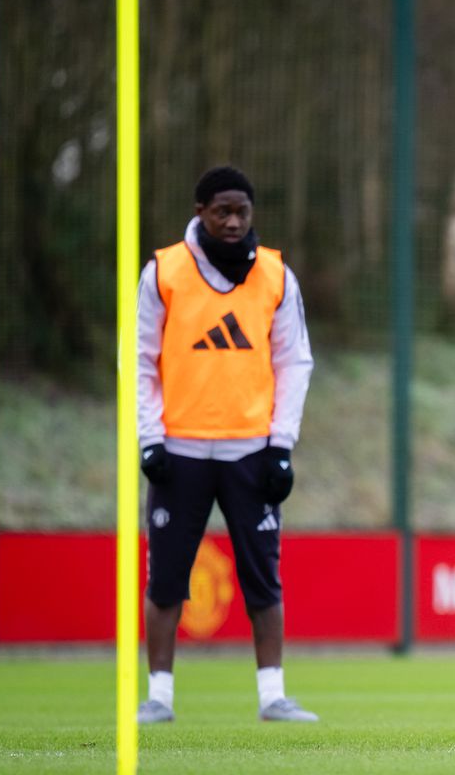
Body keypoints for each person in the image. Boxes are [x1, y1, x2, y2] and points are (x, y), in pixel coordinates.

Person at [135, 166, 317, 723]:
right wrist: (150, 438)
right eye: (223, 211)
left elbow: (294, 362)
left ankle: (273, 697)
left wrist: (281, 444)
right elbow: (139, 361)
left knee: (263, 576)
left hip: (250, 451)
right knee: (166, 578)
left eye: (242, 210)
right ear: (200, 212)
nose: (234, 220)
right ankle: (159, 697)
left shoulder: (275, 275)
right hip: (181, 450)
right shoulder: (163, 271)